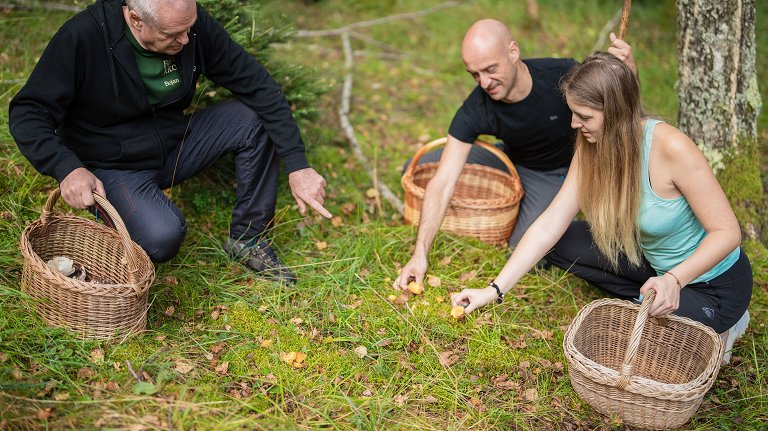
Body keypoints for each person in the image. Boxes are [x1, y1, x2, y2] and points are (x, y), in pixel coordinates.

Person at [451, 52, 752, 363]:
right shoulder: (591, 145)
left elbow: (728, 232)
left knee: (625, 345)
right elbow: (550, 223)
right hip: (655, 265)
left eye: (584, 116)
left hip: (713, 284)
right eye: (572, 113)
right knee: (561, 242)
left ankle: (721, 324)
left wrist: (674, 280)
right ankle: (646, 298)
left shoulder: (672, 148)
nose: (573, 123)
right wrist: (494, 290)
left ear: (616, 111)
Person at [9, 0, 331, 284]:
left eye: (189, 28)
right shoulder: (83, 37)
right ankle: (118, 212)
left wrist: (298, 164)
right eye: (173, 34)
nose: (186, 39)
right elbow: (28, 112)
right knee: (162, 237)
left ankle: (249, 238)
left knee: (253, 118)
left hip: (175, 144)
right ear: (136, 19)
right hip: (114, 166)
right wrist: (67, 167)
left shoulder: (187, 25)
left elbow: (258, 85)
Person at [395, 19, 636, 291]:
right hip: (509, 161)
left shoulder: (561, 75)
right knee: (421, 168)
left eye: (490, 69)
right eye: (474, 74)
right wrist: (420, 254)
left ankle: (556, 209)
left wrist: (630, 71)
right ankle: (508, 204)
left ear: (513, 52)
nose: (484, 82)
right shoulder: (477, 106)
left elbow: (617, 104)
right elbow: (443, 180)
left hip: (556, 173)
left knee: (526, 250)